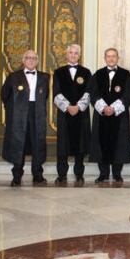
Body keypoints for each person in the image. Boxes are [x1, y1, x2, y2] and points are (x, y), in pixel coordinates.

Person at [1, 50, 49, 186]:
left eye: (34, 58)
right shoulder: (13, 76)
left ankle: (38, 175)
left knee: (37, 143)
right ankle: (16, 176)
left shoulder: (45, 77)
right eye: (28, 58)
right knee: (18, 143)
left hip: (37, 113)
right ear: (23, 60)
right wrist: (12, 110)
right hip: (19, 114)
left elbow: (45, 96)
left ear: (37, 61)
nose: (31, 60)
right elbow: (4, 94)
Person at [89, 48, 130, 183]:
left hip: (119, 115)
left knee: (119, 143)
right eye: (108, 56)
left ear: (117, 58)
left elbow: (129, 94)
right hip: (102, 115)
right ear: (105, 58)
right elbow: (93, 93)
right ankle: (103, 173)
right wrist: (104, 108)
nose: (111, 59)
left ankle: (117, 173)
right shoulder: (97, 74)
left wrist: (114, 108)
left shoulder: (126, 75)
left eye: (114, 56)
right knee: (101, 142)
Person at [53, 44, 91, 184]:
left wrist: (79, 106)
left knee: (80, 146)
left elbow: (88, 92)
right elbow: (56, 93)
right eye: (71, 52)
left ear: (79, 55)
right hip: (65, 114)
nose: (73, 55)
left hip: (80, 114)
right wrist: (68, 107)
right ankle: (61, 174)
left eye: (76, 53)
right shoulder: (58, 72)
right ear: (66, 54)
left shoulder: (86, 72)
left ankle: (79, 174)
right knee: (63, 146)